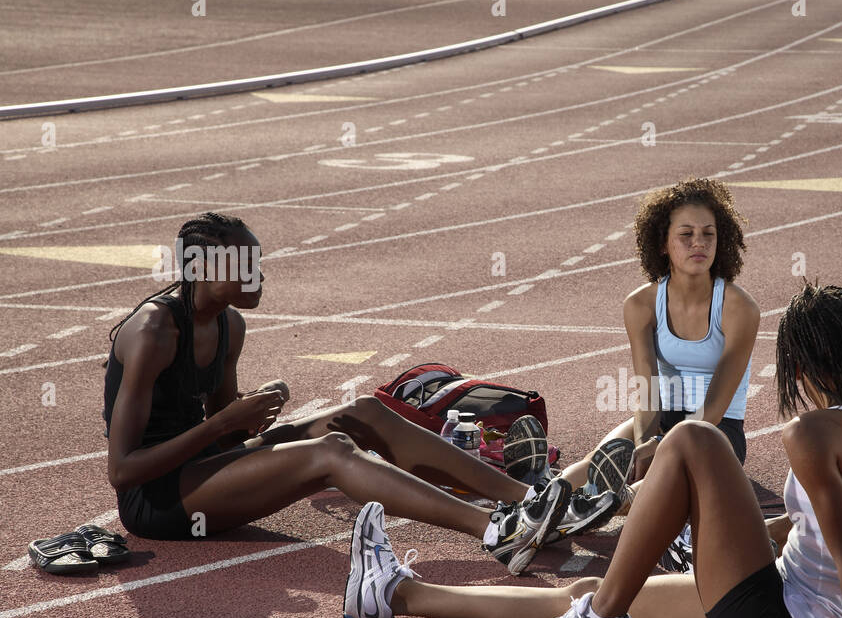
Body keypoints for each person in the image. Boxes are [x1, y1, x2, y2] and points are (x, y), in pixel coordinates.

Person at [344, 284, 842, 618]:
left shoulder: (815, 434)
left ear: (805, 367)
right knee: (590, 587)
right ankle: (396, 594)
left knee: (692, 439)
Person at [102, 212, 617, 574]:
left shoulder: (230, 325)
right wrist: (224, 423)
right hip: (158, 500)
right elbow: (123, 471)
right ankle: (494, 532)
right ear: (199, 270)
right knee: (332, 454)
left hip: (202, 468)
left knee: (365, 412)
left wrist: (246, 418)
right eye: (243, 265)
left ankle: (533, 503)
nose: (258, 275)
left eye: (257, 261)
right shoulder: (154, 333)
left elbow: (223, 433)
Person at [533, 178, 758, 570]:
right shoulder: (640, 305)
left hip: (715, 432)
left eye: (708, 234)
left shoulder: (739, 307)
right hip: (663, 418)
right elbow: (647, 393)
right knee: (598, 461)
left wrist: (662, 448)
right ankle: (536, 510)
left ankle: (604, 505)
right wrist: (646, 442)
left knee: (661, 473)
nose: (698, 243)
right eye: (685, 234)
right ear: (661, 243)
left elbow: (715, 407)